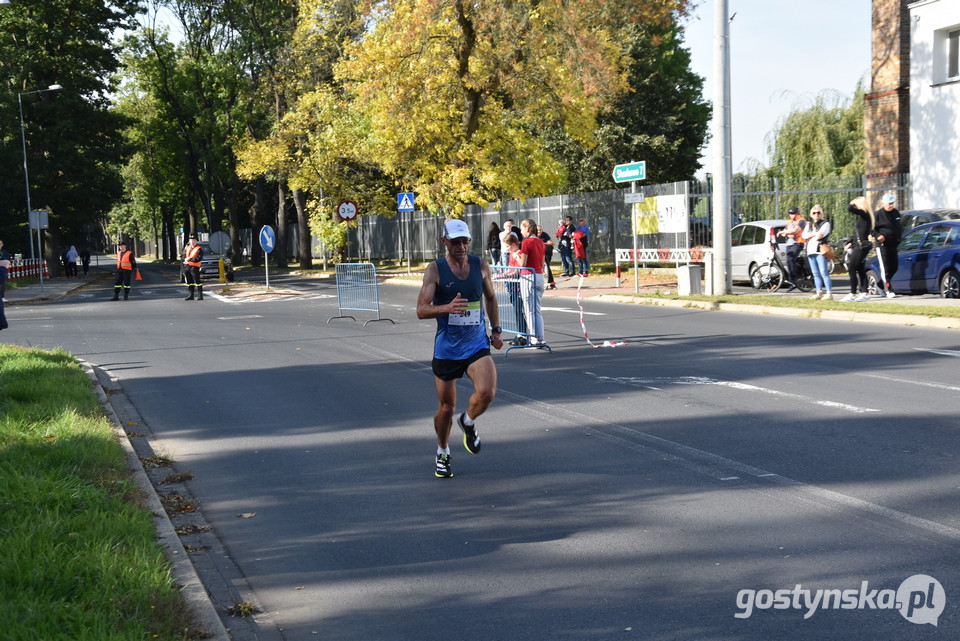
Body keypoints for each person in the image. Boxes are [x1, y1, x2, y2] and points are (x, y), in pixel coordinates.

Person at [416, 219, 503, 479]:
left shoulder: (480, 264)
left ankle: (468, 421)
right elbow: (421, 310)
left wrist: (496, 330)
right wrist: (446, 308)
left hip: (476, 343)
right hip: (447, 349)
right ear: (444, 241)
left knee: (486, 393)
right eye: (455, 242)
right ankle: (442, 451)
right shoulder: (436, 270)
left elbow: (490, 298)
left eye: (465, 241)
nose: (461, 246)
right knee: (445, 408)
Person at [517, 219, 546, 346]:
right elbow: (542, 262)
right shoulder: (541, 242)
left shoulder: (526, 242)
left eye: (522, 229)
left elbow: (522, 263)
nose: (521, 231)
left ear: (527, 228)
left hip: (528, 276)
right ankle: (540, 337)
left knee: (528, 309)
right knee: (537, 309)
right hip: (539, 275)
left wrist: (515, 255)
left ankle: (534, 337)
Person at [841, 197, 875, 302]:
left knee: (852, 268)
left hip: (861, 247)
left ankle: (853, 293)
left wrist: (852, 203)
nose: (855, 207)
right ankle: (864, 293)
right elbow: (858, 234)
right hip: (858, 245)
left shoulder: (865, 214)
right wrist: (850, 243)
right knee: (860, 269)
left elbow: (849, 208)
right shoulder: (864, 217)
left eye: (856, 205)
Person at [873, 193, 902, 298]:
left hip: (893, 244)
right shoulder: (877, 215)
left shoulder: (896, 213)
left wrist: (899, 238)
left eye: (892, 203)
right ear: (883, 203)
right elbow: (871, 229)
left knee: (894, 267)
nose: (891, 205)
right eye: (889, 203)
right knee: (885, 268)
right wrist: (878, 235)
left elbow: (898, 227)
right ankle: (888, 290)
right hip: (882, 245)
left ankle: (880, 284)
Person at [802, 205, 833, 300]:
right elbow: (803, 235)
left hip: (820, 250)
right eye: (814, 213)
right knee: (815, 273)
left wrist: (811, 235)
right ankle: (819, 292)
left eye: (818, 213)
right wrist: (814, 234)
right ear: (811, 215)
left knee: (824, 272)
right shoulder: (809, 224)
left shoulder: (825, 223)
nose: (816, 215)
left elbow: (820, 235)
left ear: (821, 214)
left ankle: (829, 293)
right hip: (811, 250)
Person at [777, 207, 807, 291]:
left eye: (793, 213)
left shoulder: (801, 221)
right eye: (790, 214)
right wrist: (786, 233)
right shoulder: (790, 222)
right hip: (789, 244)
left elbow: (795, 231)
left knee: (791, 259)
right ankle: (792, 278)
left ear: (798, 213)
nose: (791, 215)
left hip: (798, 243)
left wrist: (786, 233)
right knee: (788, 261)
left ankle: (793, 280)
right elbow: (785, 232)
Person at [183, 235, 204, 300]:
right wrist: (185, 260)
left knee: (197, 281)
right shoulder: (187, 247)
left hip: (194, 267)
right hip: (187, 266)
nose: (192, 241)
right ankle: (191, 295)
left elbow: (198, 258)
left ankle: (200, 296)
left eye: (193, 240)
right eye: (191, 240)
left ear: (196, 241)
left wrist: (190, 259)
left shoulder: (199, 249)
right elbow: (184, 255)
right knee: (190, 282)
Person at [536, 224, 556, 289]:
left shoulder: (544, 234)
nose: (539, 231)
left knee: (547, 267)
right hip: (537, 254)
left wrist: (544, 243)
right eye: (538, 230)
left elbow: (551, 242)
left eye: (540, 230)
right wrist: (544, 243)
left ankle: (552, 284)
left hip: (545, 254)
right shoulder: (534, 236)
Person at [0, 238, 11, 303]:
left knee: (3, 282)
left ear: (2, 245)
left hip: (3, 269)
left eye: (0, 243)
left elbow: (8, 259)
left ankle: (2, 296)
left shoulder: (4, 252)